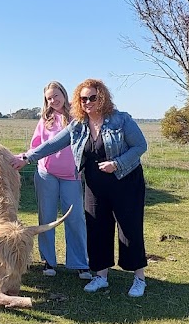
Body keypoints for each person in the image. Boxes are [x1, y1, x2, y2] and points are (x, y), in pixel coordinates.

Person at [11, 79, 149, 297]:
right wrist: (27, 157)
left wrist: (117, 163)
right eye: (83, 98)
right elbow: (53, 143)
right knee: (97, 229)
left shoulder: (121, 120)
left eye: (92, 97)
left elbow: (140, 146)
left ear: (102, 97)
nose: (88, 102)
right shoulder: (78, 125)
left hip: (125, 181)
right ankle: (100, 276)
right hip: (94, 183)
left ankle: (139, 278)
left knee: (129, 229)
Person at [27, 81, 92, 280]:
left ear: (64, 94)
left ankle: (80, 263)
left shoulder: (79, 117)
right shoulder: (45, 120)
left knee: (75, 218)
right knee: (46, 217)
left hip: (71, 176)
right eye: (49, 98)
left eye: (56, 95)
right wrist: (22, 158)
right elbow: (36, 147)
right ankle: (49, 261)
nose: (53, 100)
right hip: (46, 175)